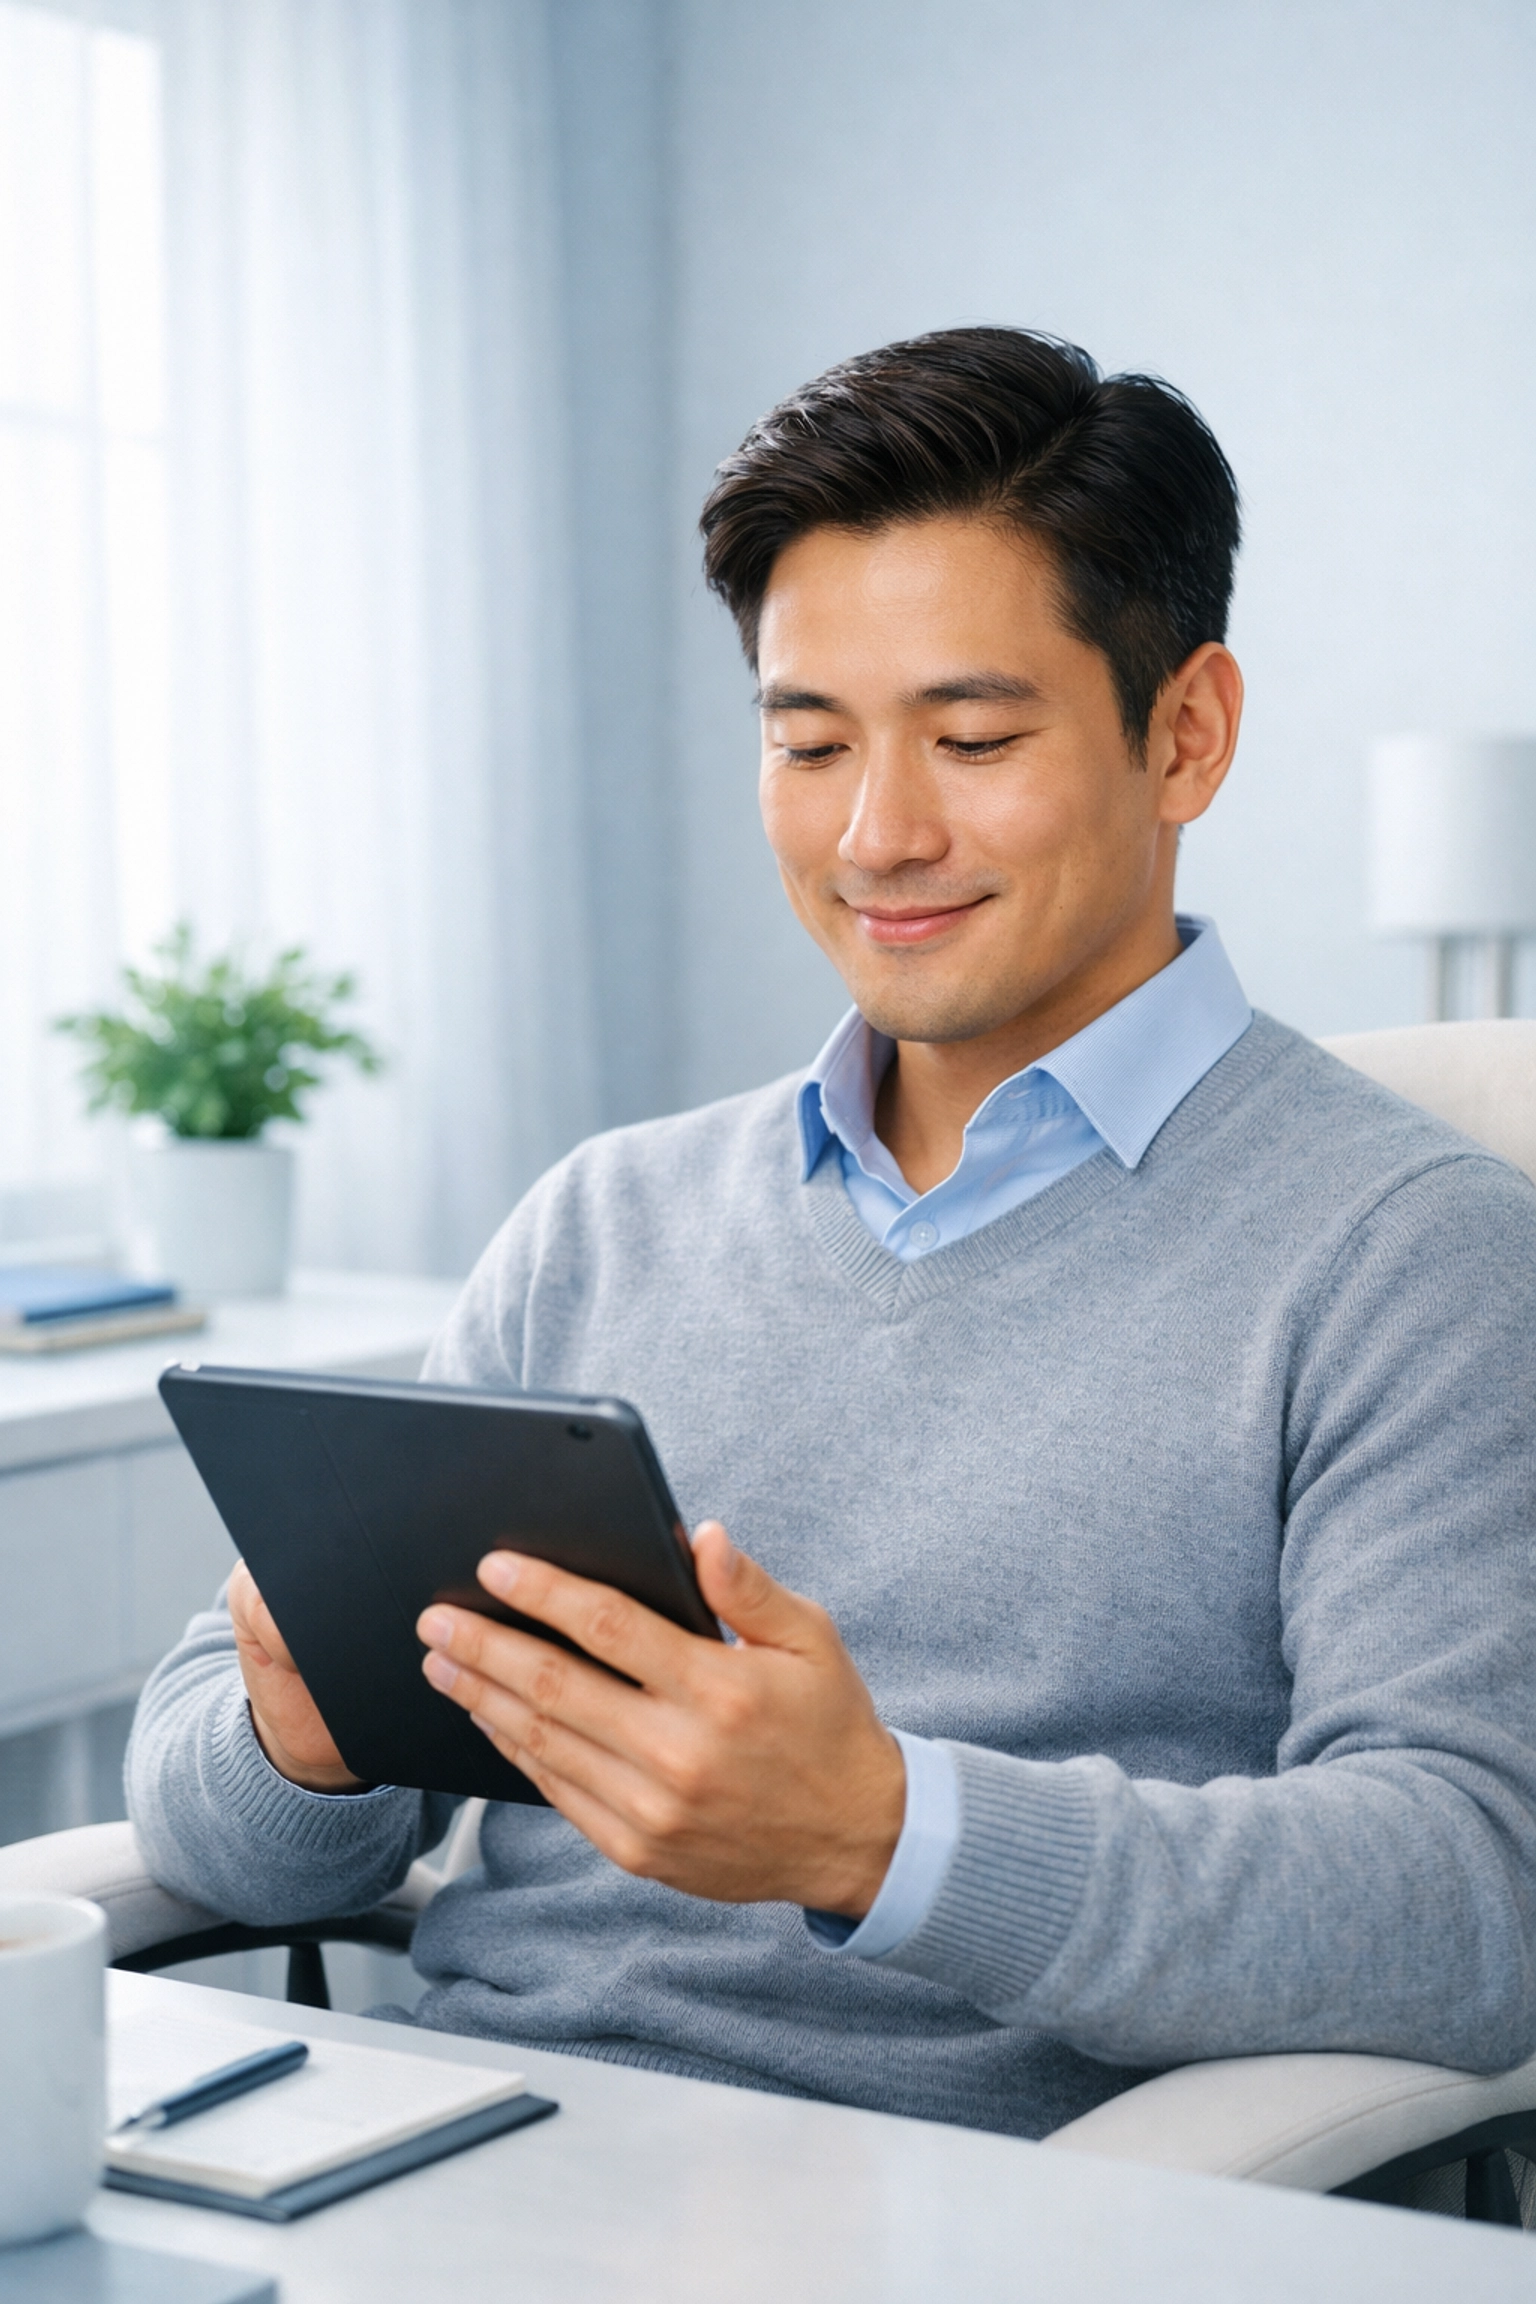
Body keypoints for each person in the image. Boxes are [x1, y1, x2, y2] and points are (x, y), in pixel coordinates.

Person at [128, 327, 1536, 2141]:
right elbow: (221, 1813)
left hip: (992, 2219)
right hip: (464, 2166)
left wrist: (883, 1835)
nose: (879, 833)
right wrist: (299, 1747)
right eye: (808, 744)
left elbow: (1474, 1896)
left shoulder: (1412, 1259)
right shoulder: (602, 1223)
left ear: (1184, 734)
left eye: (972, 737)